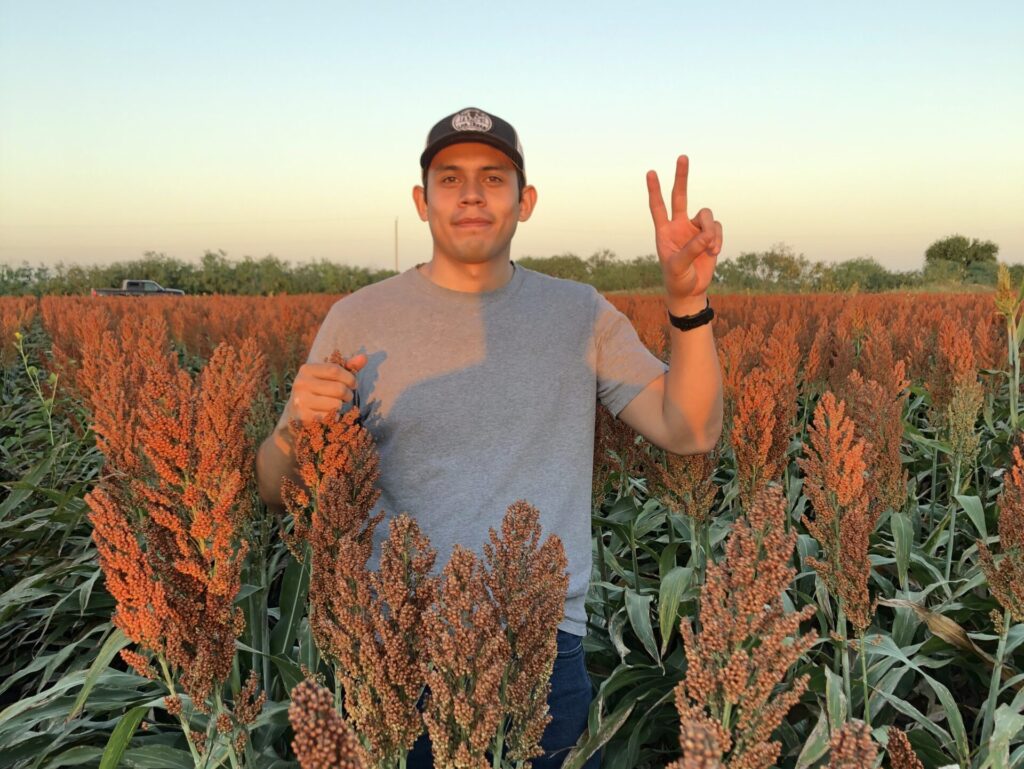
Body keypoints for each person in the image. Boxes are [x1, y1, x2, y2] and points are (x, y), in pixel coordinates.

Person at [256, 106, 724, 768]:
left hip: (539, 646)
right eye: (450, 179)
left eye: (493, 178)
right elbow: (276, 491)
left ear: (525, 200)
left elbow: (692, 429)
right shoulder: (355, 318)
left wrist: (687, 304)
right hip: (397, 651)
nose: (472, 194)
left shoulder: (579, 313)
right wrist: (296, 429)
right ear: (422, 201)